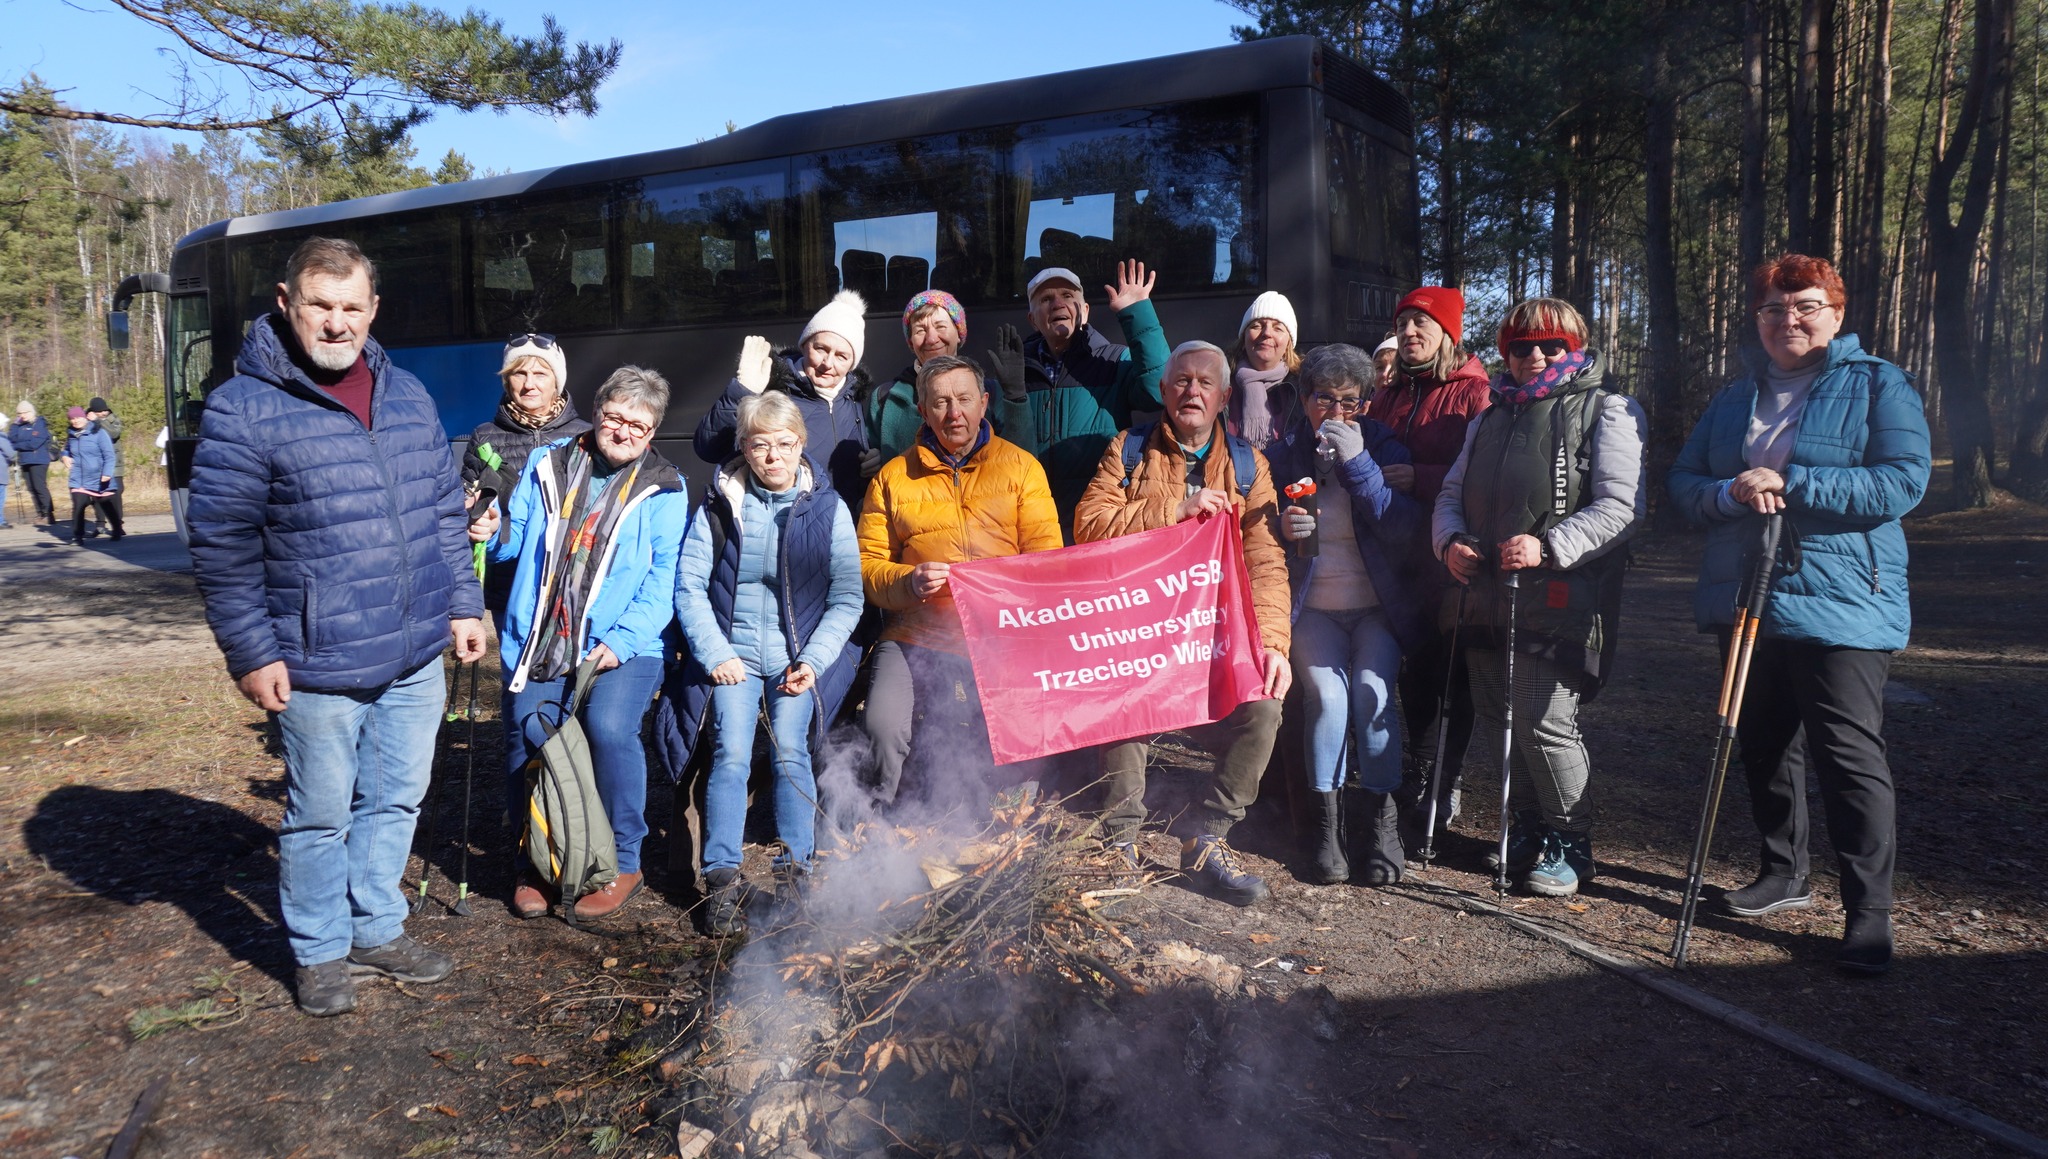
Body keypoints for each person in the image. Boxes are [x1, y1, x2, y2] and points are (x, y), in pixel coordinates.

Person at [188, 236, 487, 1017]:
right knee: (320, 814)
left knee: (395, 800)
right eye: (320, 305)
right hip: (315, 658)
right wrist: (251, 651)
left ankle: (374, 927)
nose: (336, 322)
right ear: (286, 303)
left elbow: (441, 515)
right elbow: (222, 544)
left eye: (352, 306)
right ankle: (320, 950)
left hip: (414, 650)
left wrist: (463, 603)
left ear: (373, 309)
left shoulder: (408, 394)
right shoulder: (243, 408)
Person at [1668, 254, 1930, 975]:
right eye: (1774, 309)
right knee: (1761, 740)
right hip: (1745, 592)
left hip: (1843, 599)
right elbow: (1684, 481)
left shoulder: (1878, 383)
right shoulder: (1735, 397)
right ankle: (1783, 871)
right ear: (1757, 319)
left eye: (1808, 306)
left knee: (1847, 754)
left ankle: (1868, 911)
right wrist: (1728, 493)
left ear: (1836, 315)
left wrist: (1793, 479)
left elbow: (1902, 482)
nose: (1790, 319)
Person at [1433, 297, 1646, 898]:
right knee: (1502, 718)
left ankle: (1570, 842)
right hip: (1484, 593)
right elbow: (1450, 493)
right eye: (1522, 346)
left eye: (1553, 346)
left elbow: (1622, 506)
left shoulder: (1608, 409)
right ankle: (1527, 829)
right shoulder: (1488, 416)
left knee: (1544, 721)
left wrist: (1550, 546)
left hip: (1560, 593)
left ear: (1574, 348)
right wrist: (1448, 542)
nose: (1536, 357)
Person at [1074, 340, 1293, 906]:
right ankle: (1118, 842)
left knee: (1264, 705)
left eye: (1204, 382)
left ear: (1224, 396)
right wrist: (1172, 511)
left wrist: (1273, 643)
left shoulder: (1249, 465)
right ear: (1164, 390)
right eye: (1182, 381)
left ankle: (1206, 840)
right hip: (1140, 630)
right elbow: (1088, 526)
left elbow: (1265, 560)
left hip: (1212, 638)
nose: (1192, 391)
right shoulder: (1129, 450)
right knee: (1123, 694)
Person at [470, 366, 688, 922]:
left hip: (627, 641)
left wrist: (621, 640)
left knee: (608, 729)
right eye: (615, 418)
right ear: (596, 413)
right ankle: (535, 862)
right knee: (528, 735)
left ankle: (624, 861)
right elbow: (513, 541)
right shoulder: (550, 463)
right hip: (543, 634)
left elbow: (664, 580)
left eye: (639, 425)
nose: (624, 432)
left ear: (653, 432)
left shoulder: (665, 485)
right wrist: (491, 530)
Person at [669, 392, 863, 933]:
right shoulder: (720, 503)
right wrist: (715, 653)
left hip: (794, 659)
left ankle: (798, 877)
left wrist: (814, 661)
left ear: (801, 444)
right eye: (759, 445)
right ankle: (722, 880)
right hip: (732, 656)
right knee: (730, 753)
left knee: (790, 753)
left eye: (784, 444)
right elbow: (689, 586)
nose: (773, 456)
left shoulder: (828, 509)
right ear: (744, 448)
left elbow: (848, 597)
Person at [859, 354, 1062, 811]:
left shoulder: (1021, 468)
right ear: (923, 411)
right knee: (882, 724)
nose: (954, 413)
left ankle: (1007, 815)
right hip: (917, 631)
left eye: (965, 400)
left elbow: (1046, 562)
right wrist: (908, 581)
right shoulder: (894, 477)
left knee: (1017, 723)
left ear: (984, 403)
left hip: (1001, 632)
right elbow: (868, 566)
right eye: (941, 403)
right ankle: (883, 817)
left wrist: (1004, 597)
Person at [1265, 344, 1429, 886]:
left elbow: (1403, 529)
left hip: (1377, 608)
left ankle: (1381, 828)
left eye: (1349, 402)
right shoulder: (1284, 454)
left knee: (1371, 693)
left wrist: (1359, 464)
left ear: (1366, 403)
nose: (1335, 412)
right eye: (1324, 399)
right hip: (1313, 609)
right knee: (1328, 698)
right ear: (1304, 399)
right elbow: (1257, 533)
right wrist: (1281, 529)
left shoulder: (1383, 446)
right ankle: (1323, 832)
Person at [1368, 287, 1492, 842]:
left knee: (1448, 678)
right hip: (1394, 560)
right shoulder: (1390, 393)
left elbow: (1486, 474)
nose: (1410, 332)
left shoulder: (1475, 393)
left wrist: (1420, 477)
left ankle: (1441, 785)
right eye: (1403, 324)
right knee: (1412, 675)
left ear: (1448, 333)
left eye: (1422, 323)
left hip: (1447, 559)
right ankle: (1418, 776)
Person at [1017, 262, 1170, 534]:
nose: (1058, 304)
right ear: (1033, 320)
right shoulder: (1014, 371)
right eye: (1046, 299)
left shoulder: (1114, 360)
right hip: (1033, 525)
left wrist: (1137, 313)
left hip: (1100, 523)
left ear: (1085, 311)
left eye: (1068, 296)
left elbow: (1158, 393)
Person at [461, 334, 593, 633]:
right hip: (507, 583)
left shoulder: (586, 436)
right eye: (519, 373)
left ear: (556, 381)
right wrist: (475, 515)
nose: (529, 384)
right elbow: (467, 500)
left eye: (540, 374)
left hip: (567, 580)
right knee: (515, 662)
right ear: (507, 381)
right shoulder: (485, 436)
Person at [698, 290, 873, 510]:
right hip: (784, 521)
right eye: (821, 348)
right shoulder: (771, 388)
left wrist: (870, 465)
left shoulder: (852, 399)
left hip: (841, 521)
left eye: (841, 356)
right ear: (805, 345)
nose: (828, 363)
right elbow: (709, 448)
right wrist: (742, 392)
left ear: (852, 364)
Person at [866, 289, 1030, 463]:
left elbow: (1021, 463)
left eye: (940, 327)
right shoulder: (885, 398)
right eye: (920, 330)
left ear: (958, 333)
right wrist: (873, 463)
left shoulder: (991, 392)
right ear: (911, 342)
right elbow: (870, 457)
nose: (931, 339)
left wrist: (1015, 396)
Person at [1227, 291, 1301, 451]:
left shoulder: (1302, 388)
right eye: (1257, 326)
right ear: (1243, 338)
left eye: (1278, 328)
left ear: (1289, 343)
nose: (1267, 333)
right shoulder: (1222, 384)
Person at [62, 407, 122, 543]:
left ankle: (117, 529)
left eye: (78, 417)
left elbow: (109, 455)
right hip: (78, 477)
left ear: (85, 417)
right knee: (78, 505)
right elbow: (66, 450)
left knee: (105, 504)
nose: (75, 421)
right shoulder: (71, 435)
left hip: (98, 476)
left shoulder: (99, 433)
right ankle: (78, 536)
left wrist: (107, 473)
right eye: (72, 419)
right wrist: (64, 456)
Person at [9, 400, 55, 526]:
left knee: (39, 487)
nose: (22, 415)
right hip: (25, 460)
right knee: (31, 488)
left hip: (39, 460)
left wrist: (19, 445)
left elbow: (34, 443)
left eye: (25, 413)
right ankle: (40, 513)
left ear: (31, 412)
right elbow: (12, 439)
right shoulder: (18, 425)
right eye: (19, 413)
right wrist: (15, 424)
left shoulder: (39, 424)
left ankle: (48, 514)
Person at [85, 397, 124, 536]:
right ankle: (100, 524)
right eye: (99, 411)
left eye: (104, 410)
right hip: (95, 463)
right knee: (96, 494)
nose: (103, 413)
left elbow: (114, 433)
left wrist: (98, 421)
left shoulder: (113, 419)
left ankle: (118, 524)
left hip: (114, 462)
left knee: (116, 492)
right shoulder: (86, 420)